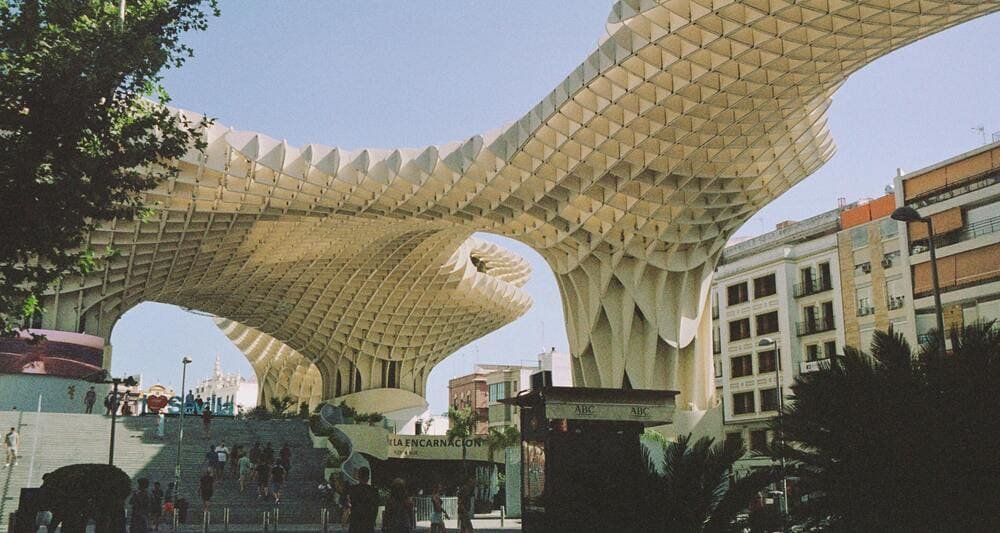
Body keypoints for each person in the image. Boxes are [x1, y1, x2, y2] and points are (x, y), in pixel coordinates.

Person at [344, 467, 379, 533]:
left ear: (358, 476)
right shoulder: (374, 491)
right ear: (368, 477)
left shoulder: (352, 490)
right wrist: (372, 520)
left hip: (355, 523)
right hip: (368, 524)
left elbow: (349, 506)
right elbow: (375, 508)